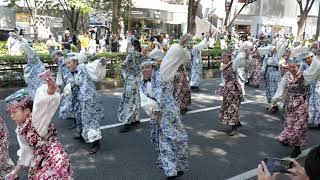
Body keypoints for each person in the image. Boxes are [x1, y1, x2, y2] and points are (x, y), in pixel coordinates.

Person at [142, 34, 191, 179]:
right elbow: (144, 101)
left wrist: (179, 44)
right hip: (158, 119)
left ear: (153, 67)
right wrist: (152, 110)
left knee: (179, 140)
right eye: (143, 68)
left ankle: (178, 167)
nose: (144, 70)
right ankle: (171, 172)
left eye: (147, 67)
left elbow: (169, 60)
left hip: (170, 115)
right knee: (164, 144)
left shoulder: (162, 75)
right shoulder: (142, 84)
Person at [4, 83, 73, 179]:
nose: (11, 116)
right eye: (10, 113)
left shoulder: (36, 119)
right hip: (40, 159)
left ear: (27, 111)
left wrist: (49, 91)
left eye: (14, 112)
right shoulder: (20, 129)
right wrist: (16, 172)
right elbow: (26, 150)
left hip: (54, 157)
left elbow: (43, 105)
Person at [66, 54, 106, 154]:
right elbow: (74, 83)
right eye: (66, 63)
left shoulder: (82, 67)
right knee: (81, 117)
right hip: (82, 99)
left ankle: (96, 143)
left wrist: (100, 62)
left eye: (69, 62)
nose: (67, 65)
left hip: (89, 99)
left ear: (75, 62)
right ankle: (82, 134)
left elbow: (93, 66)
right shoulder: (74, 72)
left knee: (91, 121)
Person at [270, 57, 308, 158]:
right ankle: (288, 139)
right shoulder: (287, 76)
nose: (291, 69)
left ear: (298, 66)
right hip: (290, 103)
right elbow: (281, 88)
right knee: (288, 123)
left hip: (301, 103)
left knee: (299, 126)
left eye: (293, 67)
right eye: (289, 67)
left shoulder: (305, 75)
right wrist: (274, 100)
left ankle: (297, 148)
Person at [117, 39, 143, 132]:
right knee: (135, 100)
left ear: (132, 45)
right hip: (138, 80)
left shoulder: (131, 53)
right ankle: (135, 118)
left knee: (128, 101)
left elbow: (123, 65)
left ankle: (127, 122)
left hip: (130, 80)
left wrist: (126, 75)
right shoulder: (141, 55)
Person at [217, 52, 243, 136]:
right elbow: (223, 79)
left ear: (229, 58)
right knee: (228, 106)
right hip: (228, 89)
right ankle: (237, 122)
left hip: (234, 89)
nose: (222, 59)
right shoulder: (223, 66)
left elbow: (240, 59)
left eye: (224, 58)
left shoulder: (233, 64)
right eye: (222, 58)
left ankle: (234, 127)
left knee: (233, 107)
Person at [261, 39, 290, 110]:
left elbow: (282, 48)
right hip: (268, 73)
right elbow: (264, 64)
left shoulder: (277, 55)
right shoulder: (267, 56)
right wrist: (263, 72)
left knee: (274, 88)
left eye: (274, 49)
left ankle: (273, 104)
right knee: (268, 88)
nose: (272, 50)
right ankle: (270, 103)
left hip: (274, 73)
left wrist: (286, 42)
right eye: (271, 49)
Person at [51, 50, 75, 125]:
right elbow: (60, 74)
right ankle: (74, 117)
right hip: (68, 83)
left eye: (54, 56)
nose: (53, 58)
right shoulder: (60, 62)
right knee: (70, 100)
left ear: (58, 55)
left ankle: (75, 119)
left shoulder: (64, 60)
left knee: (70, 100)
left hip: (71, 82)